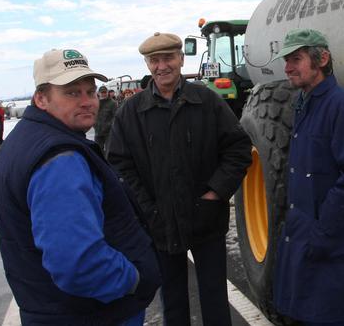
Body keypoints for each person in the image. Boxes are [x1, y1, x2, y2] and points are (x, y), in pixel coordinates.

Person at [0, 48, 161, 325]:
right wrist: (135, 280)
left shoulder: (26, 139)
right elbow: (78, 264)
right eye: (72, 92)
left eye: (90, 91)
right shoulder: (59, 159)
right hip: (92, 314)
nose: (87, 101)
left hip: (54, 308)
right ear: (41, 98)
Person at [108, 32, 252, 326]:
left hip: (206, 219)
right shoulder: (131, 113)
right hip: (159, 223)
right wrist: (148, 207)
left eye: (168, 58)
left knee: (214, 299)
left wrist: (215, 192)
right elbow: (120, 165)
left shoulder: (207, 101)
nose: (162, 66)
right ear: (148, 64)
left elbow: (238, 149)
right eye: (155, 60)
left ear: (180, 59)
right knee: (173, 302)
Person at [271, 28, 344, 325]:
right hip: (303, 234)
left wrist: (325, 228)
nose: (288, 67)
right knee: (304, 311)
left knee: (333, 315)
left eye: (296, 58)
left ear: (322, 59)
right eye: (287, 60)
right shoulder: (305, 104)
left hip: (329, 239)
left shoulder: (343, 107)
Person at [95, 85, 117, 152]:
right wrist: (95, 125)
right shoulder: (96, 103)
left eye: (105, 92)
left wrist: (109, 125)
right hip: (98, 131)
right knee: (98, 151)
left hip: (108, 132)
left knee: (109, 151)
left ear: (107, 92)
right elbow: (92, 115)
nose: (103, 94)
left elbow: (115, 116)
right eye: (102, 92)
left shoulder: (112, 103)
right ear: (99, 93)